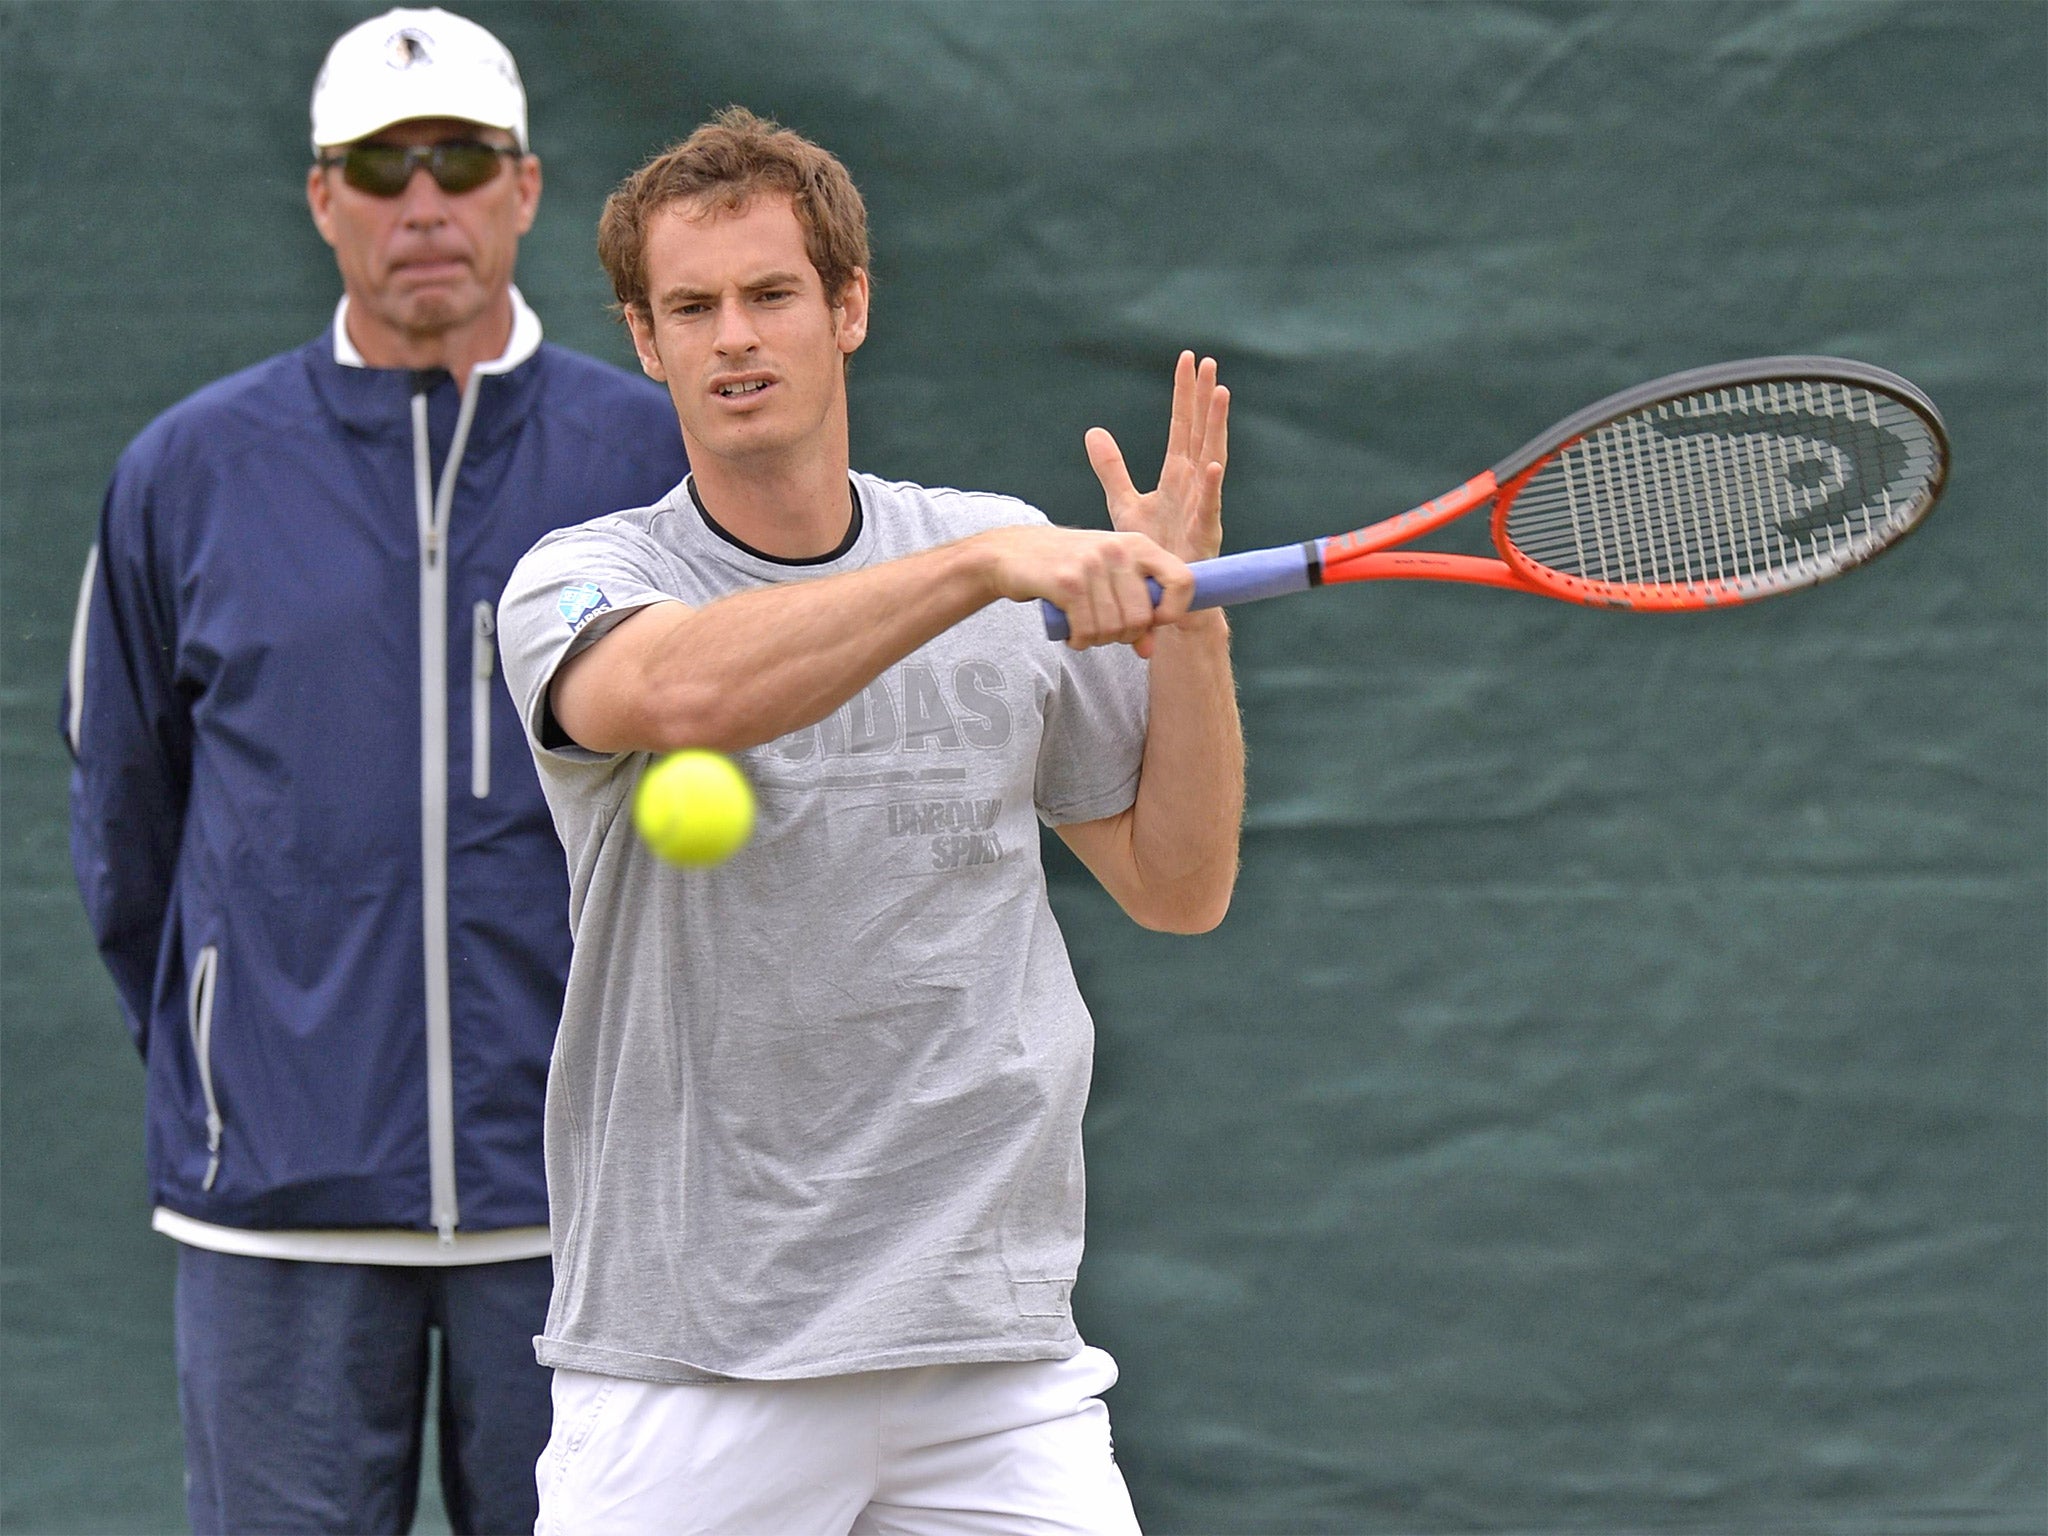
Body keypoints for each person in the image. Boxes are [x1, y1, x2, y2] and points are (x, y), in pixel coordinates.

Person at [494, 107, 1244, 1533]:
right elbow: (683, 689)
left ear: (847, 307)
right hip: (693, 1363)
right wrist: (975, 570)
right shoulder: (580, 578)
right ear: (645, 343)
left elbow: (1177, 882)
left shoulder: (993, 559)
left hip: (993, 1355)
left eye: (771, 294)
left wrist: (1187, 623)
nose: (734, 338)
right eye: (691, 308)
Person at [62, 9, 688, 1532]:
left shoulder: (652, 463)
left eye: (461, 160)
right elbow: (125, 828)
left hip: (590, 1214)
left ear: (526, 189)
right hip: (277, 1212)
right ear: (322, 196)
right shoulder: (185, 474)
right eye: (381, 165)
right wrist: (237, 1059)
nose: (426, 203)